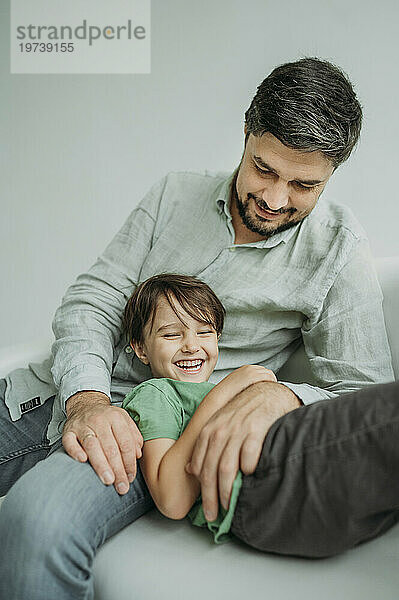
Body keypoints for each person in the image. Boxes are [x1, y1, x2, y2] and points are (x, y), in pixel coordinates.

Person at [0, 56, 395, 598]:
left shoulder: (339, 248)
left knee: (36, 523)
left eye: (303, 185)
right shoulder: (173, 194)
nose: (276, 199)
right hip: (51, 389)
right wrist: (87, 399)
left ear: (333, 173)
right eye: (264, 169)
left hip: (151, 432)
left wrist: (282, 396)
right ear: (247, 135)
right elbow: (93, 300)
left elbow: (364, 396)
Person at [121, 272, 278, 542]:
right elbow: (172, 500)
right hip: (268, 491)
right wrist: (221, 395)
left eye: (204, 332)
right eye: (171, 334)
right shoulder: (156, 394)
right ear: (141, 349)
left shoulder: (219, 388)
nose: (192, 346)